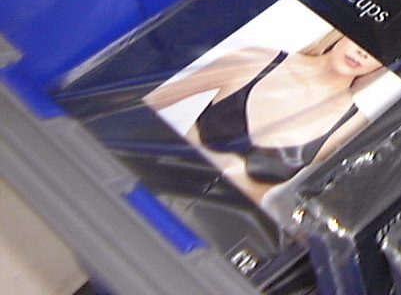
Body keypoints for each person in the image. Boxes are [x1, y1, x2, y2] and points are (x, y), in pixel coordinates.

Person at [143, 29, 386, 205]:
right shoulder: (257, 60)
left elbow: (331, 203)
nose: (363, 53)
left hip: (217, 229)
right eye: (362, 37)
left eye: (378, 52)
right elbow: (150, 102)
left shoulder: (354, 124)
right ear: (341, 31)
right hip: (149, 186)